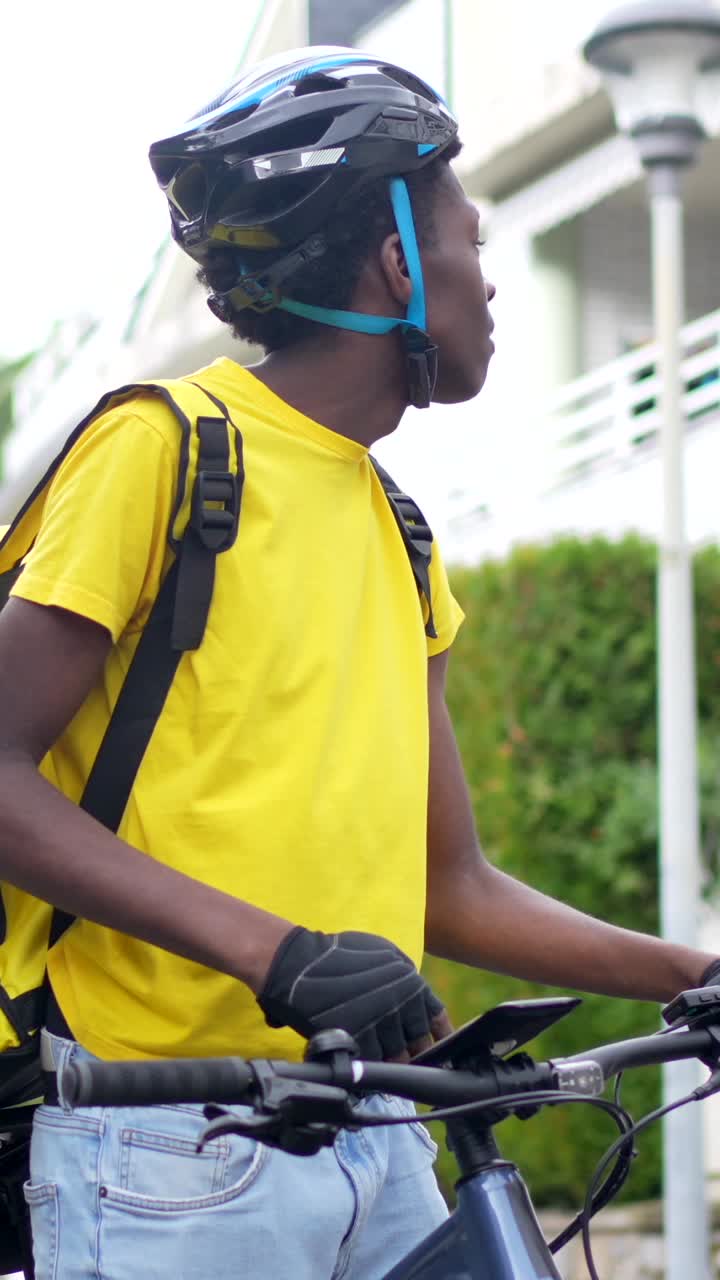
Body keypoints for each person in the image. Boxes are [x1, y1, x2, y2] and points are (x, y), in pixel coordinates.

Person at [0, 46, 717, 1280]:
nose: (484, 281)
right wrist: (278, 951)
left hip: (382, 1134)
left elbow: (451, 885)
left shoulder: (402, 528)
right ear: (397, 255)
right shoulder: (163, 448)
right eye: (471, 243)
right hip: (173, 1143)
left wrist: (692, 972)